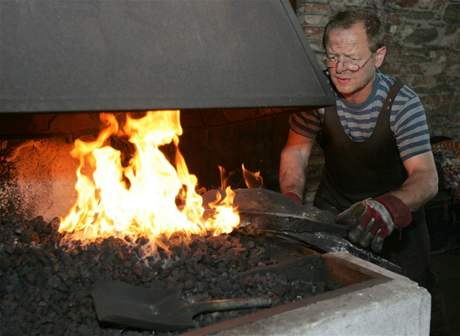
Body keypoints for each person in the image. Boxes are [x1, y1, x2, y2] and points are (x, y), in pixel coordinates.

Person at [279, 9, 439, 290]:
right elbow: (296, 152)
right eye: (332, 57)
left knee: (408, 300)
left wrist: (389, 206)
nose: (340, 69)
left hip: (394, 220)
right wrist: (291, 198)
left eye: (352, 59)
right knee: (327, 293)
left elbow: (426, 177)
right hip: (335, 211)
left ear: (378, 57)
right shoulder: (318, 92)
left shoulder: (402, 103)